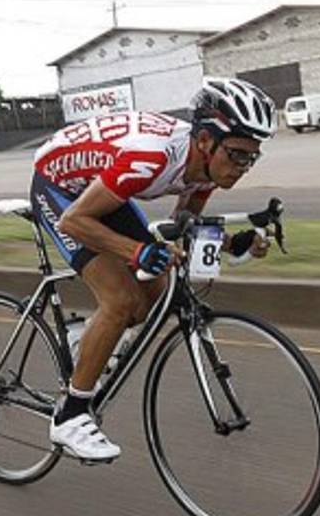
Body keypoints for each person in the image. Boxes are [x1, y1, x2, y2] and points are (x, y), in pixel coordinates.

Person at [31, 77, 277, 462]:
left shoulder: (206, 170)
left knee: (155, 295)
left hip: (103, 185)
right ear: (205, 142)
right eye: (237, 154)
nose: (243, 167)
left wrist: (233, 242)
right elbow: (74, 223)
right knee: (122, 298)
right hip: (61, 190)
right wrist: (136, 252)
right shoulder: (152, 159)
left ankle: (88, 340)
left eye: (251, 157)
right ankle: (70, 416)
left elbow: (183, 224)